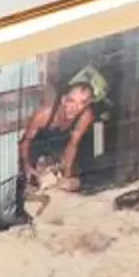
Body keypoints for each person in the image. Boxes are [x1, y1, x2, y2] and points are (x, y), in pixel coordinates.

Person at [21, 65, 107, 201]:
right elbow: (25, 142)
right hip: (36, 150)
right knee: (33, 191)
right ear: (63, 99)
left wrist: (67, 177)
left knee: (67, 186)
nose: (75, 108)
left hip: (58, 150)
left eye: (82, 103)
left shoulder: (86, 116)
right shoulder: (44, 115)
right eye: (71, 101)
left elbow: (72, 145)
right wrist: (27, 166)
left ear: (88, 104)